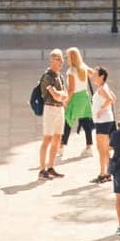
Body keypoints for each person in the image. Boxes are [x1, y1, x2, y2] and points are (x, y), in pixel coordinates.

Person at [38, 49, 67, 180]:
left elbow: (64, 95)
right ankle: (42, 169)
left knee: (57, 138)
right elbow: (54, 95)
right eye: (58, 59)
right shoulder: (47, 77)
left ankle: (51, 167)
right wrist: (60, 95)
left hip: (59, 109)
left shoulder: (60, 76)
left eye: (62, 59)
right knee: (47, 139)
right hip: (50, 109)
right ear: (52, 60)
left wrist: (60, 95)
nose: (61, 62)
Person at [61, 46, 94, 154]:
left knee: (68, 121)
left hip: (75, 98)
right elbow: (92, 73)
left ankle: (61, 146)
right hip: (84, 96)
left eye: (67, 57)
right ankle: (89, 146)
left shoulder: (71, 71)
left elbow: (71, 89)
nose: (66, 59)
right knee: (86, 121)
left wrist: (66, 101)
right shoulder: (83, 67)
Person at [91, 67, 117, 183]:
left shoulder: (102, 89)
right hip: (106, 121)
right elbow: (114, 99)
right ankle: (107, 172)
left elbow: (110, 99)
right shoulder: (105, 87)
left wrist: (101, 110)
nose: (93, 77)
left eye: (95, 75)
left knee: (101, 149)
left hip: (103, 122)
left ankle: (103, 174)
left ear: (101, 77)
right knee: (104, 149)